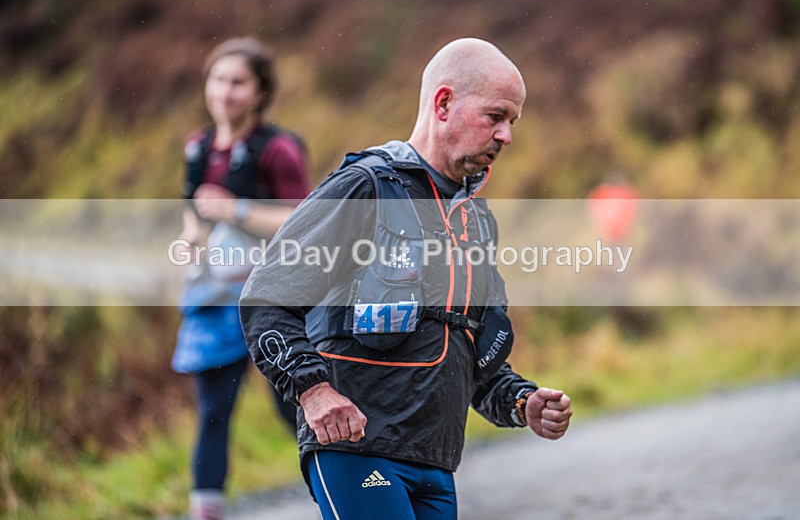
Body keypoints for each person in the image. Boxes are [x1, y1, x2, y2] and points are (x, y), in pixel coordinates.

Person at [239, 37, 572, 519]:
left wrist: (521, 402)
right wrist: (314, 391)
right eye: (496, 116)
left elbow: (472, 356)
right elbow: (266, 298)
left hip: (434, 462)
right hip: (356, 449)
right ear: (444, 103)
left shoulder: (475, 221)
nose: (506, 136)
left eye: (512, 122)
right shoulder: (365, 187)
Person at [170, 36, 310, 520]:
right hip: (215, 299)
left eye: (237, 82)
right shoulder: (197, 147)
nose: (224, 92)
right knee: (213, 412)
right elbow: (194, 212)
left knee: (294, 405)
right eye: (218, 80)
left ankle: (353, 490)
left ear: (260, 92)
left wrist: (238, 210)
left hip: (275, 298)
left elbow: (304, 221)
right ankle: (205, 512)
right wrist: (191, 237)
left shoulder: (279, 150)